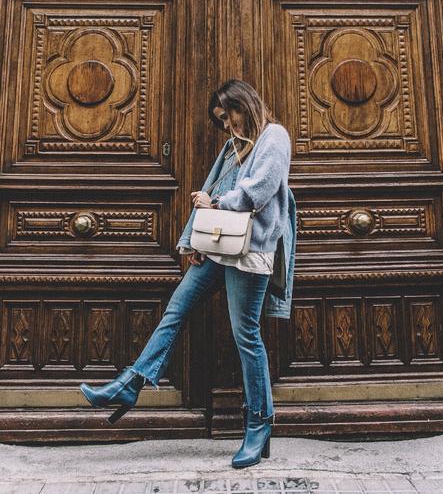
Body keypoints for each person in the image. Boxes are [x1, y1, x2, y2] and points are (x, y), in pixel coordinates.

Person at [79, 79, 296, 469]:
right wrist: (195, 241)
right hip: (221, 247)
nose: (228, 125)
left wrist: (217, 202)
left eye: (229, 115)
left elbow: (258, 190)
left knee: (245, 334)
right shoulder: (233, 147)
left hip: (251, 251)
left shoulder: (273, 136)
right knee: (176, 308)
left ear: (244, 104)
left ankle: (259, 423)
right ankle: (131, 384)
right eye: (221, 120)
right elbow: (212, 188)